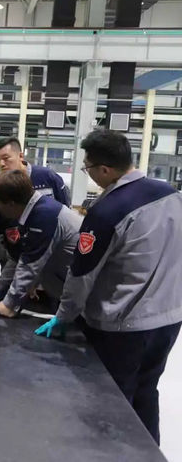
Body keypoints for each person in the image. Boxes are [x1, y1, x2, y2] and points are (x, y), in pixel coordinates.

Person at [35, 129, 182, 445]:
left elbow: (81, 275)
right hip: (170, 319)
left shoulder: (107, 211)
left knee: (112, 401)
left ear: (104, 169)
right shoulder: (170, 193)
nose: (87, 173)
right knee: (146, 389)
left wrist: (64, 316)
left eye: (87, 167)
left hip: (124, 327)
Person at [0, 170, 82, 318]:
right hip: (68, 289)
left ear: (11, 204)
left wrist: (9, 303)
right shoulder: (34, 211)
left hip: (83, 297)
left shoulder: (44, 216)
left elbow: (30, 264)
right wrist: (0, 290)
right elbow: (21, 258)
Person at [0, 137, 71, 206]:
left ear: (20, 156)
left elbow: (65, 209)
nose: (1, 164)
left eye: (6, 158)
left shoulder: (47, 176)